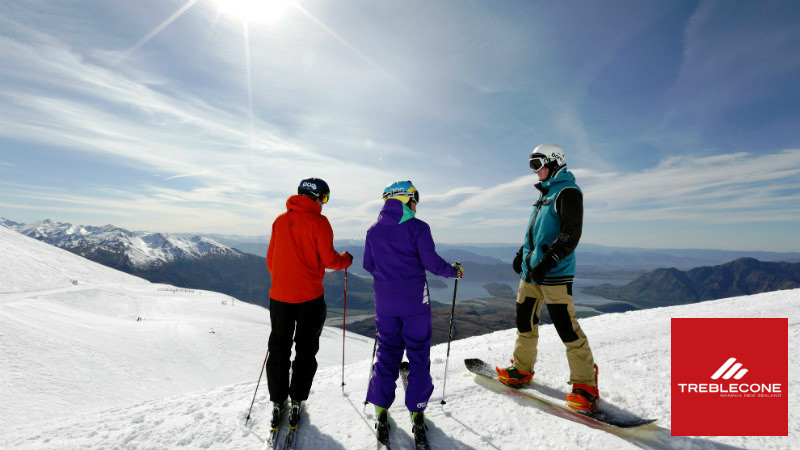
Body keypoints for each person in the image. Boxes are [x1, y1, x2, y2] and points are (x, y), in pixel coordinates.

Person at [496, 144, 599, 412]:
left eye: (537, 163)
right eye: (531, 164)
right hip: (532, 272)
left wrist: (548, 261)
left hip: (554, 274)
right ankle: (521, 369)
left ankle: (585, 385)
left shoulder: (568, 192)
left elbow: (569, 235)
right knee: (524, 322)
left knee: (566, 326)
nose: (534, 170)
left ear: (554, 162)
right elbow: (537, 234)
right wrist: (523, 254)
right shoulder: (544, 194)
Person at [363, 181, 463, 441]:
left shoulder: (373, 231)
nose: (417, 205)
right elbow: (431, 263)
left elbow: (367, 264)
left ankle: (381, 411)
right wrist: (454, 271)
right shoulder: (419, 228)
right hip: (414, 303)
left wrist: (388, 279)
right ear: (404, 199)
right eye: (415, 199)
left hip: (385, 303)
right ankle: (417, 413)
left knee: (387, 352)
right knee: (418, 352)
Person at [265, 177, 353, 427]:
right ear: (315, 196)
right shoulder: (320, 222)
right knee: (305, 350)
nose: (324, 203)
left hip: (279, 297)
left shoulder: (279, 221)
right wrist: (346, 259)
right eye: (324, 197)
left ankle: (277, 401)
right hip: (309, 298)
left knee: (279, 348)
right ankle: (296, 400)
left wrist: (285, 280)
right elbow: (329, 260)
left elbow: (271, 261)